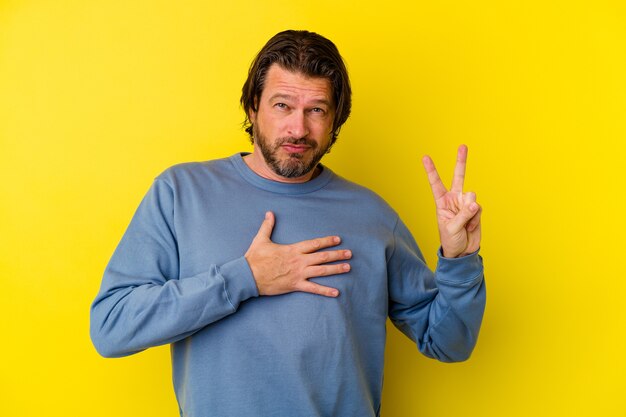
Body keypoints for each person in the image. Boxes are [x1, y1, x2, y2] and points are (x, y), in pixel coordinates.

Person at [90, 29, 486, 417]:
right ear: (252, 108)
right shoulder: (181, 193)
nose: (298, 129)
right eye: (282, 106)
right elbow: (112, 326)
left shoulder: (373, 216)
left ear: (335, 121)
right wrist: (245, 278)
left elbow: (448, 343)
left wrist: (459, 261)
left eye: (316, 110)